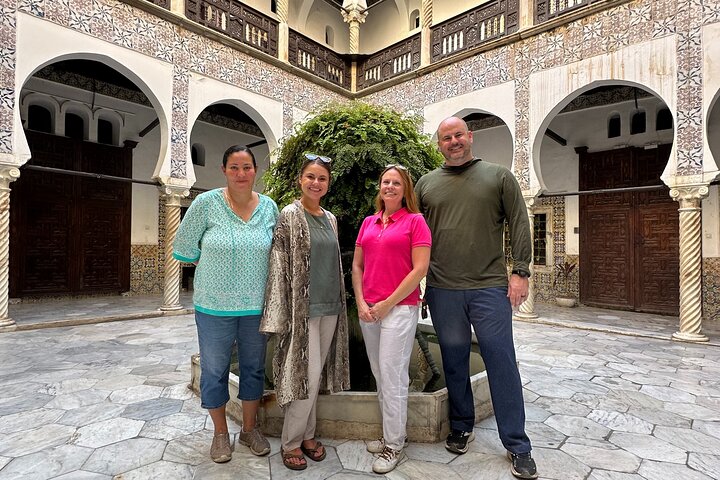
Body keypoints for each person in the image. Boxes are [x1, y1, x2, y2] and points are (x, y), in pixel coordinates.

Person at [415, 117, 538, 480]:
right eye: (445, 138)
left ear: (470, 137)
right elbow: (414, 234)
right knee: (453, 361)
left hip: (489, 289)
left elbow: (518, 221)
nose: (453, 142)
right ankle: (462, 425)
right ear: (439, 144)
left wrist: (521, 272)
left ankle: (518, 444)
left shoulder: (498, 177)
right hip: (443, 290)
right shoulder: (426, 184)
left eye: (458, 135)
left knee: (501, 361)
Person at [172, 145, 278, 463]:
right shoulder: (205, 204)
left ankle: (249, 429)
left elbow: (279, 253)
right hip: (213, 307)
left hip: (255, 308)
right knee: (215, 371)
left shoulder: (270, 208)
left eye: (246, 167)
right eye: (234, 167)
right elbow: (185, 249)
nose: (241, 174)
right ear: (224, 170)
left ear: (255, 170)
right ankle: (220, 435)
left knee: (253, 369)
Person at [260, 153, 350, 471]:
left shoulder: (330, 219)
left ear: (328, 184)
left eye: (322, 178)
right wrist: (279, 313)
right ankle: (291, 443)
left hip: (331, 308)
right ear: (301, 180)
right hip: (303, 311)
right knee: (304, 376)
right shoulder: (290, 214)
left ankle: (308, 436)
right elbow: (279, 262)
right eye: (310, 176)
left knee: (315, 377)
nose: (316, 182)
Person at [352, 164, 431, 474]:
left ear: (405, 189)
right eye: (385, 181)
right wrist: (360, 301)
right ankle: (391, 434)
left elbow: (419, 269)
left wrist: (388, 303)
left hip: (398, 309)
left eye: (396, 183)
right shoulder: (368, 222)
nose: (390, 187)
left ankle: (394, 445)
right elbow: (358, 266)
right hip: (368, 309)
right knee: (380, 372)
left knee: (393, 374)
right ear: (380, 187)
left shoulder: (416, 222)